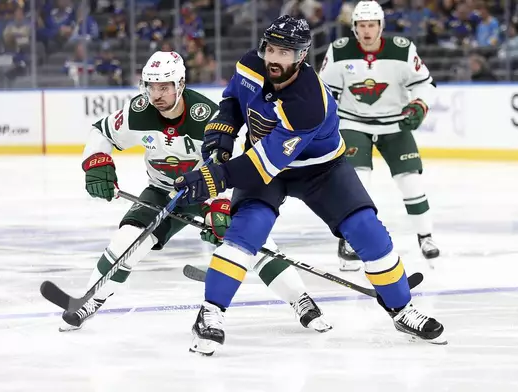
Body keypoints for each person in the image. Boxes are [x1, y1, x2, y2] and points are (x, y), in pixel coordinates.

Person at [172, 15, 446, 356]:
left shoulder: (309, 102)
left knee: (366, 230)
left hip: (320, 170)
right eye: (271, 49)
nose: (275, 58)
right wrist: (221, 133)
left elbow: (266, 162)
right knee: (245, 233)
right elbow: (232, 102)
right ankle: (210, 312)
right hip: (266, 165)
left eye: (285, 53)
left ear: (301, 56)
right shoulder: (250, 65)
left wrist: (215, 177)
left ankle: (402, 310)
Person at [61, 51, 331, 334]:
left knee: (250, 241)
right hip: (162, 191)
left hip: (208, 191)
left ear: (180, 84)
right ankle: (90, 300)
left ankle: (301, 299)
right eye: (151, 86)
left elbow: (230, 165)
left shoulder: (207, 116)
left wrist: (220, 206)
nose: (156, 95)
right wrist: (96, 162)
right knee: (127, 240)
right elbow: (101, 133)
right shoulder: (137, 111)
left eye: (164, 87)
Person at [318, 1, 440, 272]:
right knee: (357, 184)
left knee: (411, 182)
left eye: (372, 25)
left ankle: (425, 236)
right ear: (354, 27)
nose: (367, 31)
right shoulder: (338, 52)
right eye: (362, 25)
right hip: (353, 122)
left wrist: (419, 105)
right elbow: (324, 91)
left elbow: (425, 84)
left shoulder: (403, 49)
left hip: (395, 124)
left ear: (381, 26)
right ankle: (351, 240)